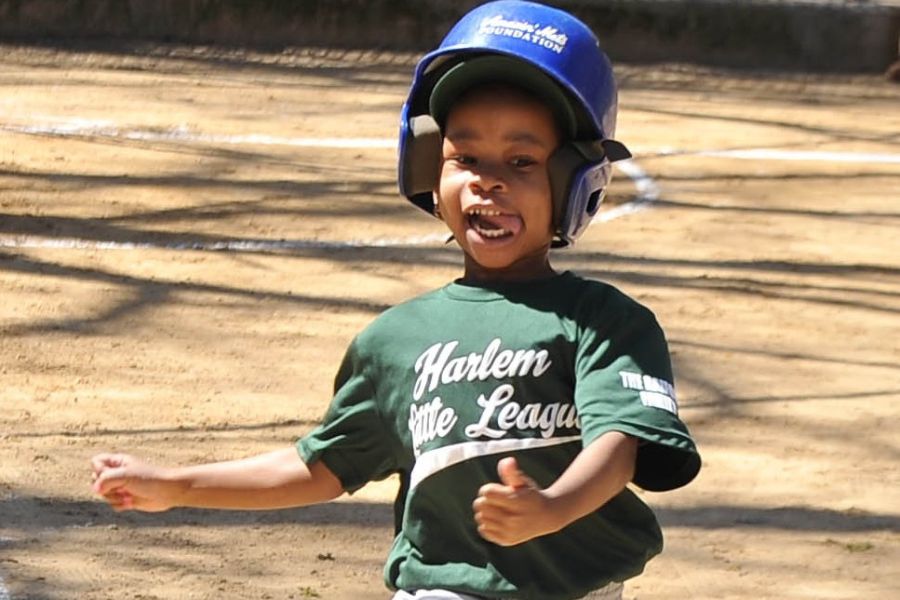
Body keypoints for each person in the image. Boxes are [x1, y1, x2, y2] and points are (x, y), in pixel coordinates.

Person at [91, 2, 701, 599]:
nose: (487, 180)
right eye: (465, 157)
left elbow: (619, 444)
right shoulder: (396, 339)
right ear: (425, 169)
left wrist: (552, 507)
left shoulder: (604, 321)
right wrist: (177, 484)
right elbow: (319, 467)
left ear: (575, 182)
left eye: (522, 161)